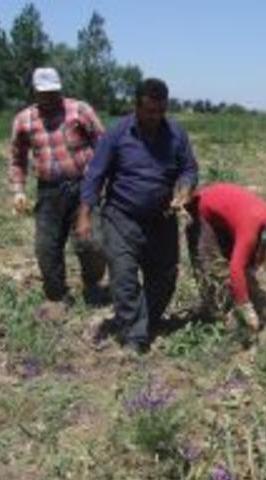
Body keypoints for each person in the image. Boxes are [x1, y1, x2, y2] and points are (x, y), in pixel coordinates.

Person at [77, 78, 198, 354]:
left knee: (165, 278)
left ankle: (145, 321)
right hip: (122, 217)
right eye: (149, 111)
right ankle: (135, 338)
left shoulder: (176, 134)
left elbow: (189, 169)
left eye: (160, 111)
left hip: (162, 219)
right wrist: (84, 216)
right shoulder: (117, 134)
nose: (155, 117)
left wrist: (185, 188)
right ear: (137, 107)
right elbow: (95, 175)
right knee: (123, 277)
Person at [8, 67, 107, 311]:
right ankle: (56, 296)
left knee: (91, 242)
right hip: (49, 192)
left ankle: (92, 285)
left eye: (53, 92)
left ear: (60, 88)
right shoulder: (24, 120)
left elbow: (104, 145)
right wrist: (19, 190)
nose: (49, 97)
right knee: (46, 247)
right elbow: (17, 158)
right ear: (34, 91)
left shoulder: (79, 110)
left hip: (84, 187)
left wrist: (104, 180)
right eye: (43, 93)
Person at [185, 183, 266, 330]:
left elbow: (256, 255)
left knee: (241, 267)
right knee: (213, 269)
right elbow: (236, 268)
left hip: (226, 213)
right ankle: (218, 318)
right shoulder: (252, 226)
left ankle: (241, 308)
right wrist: (246, 307)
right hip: (205, 210)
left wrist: (252, 271)